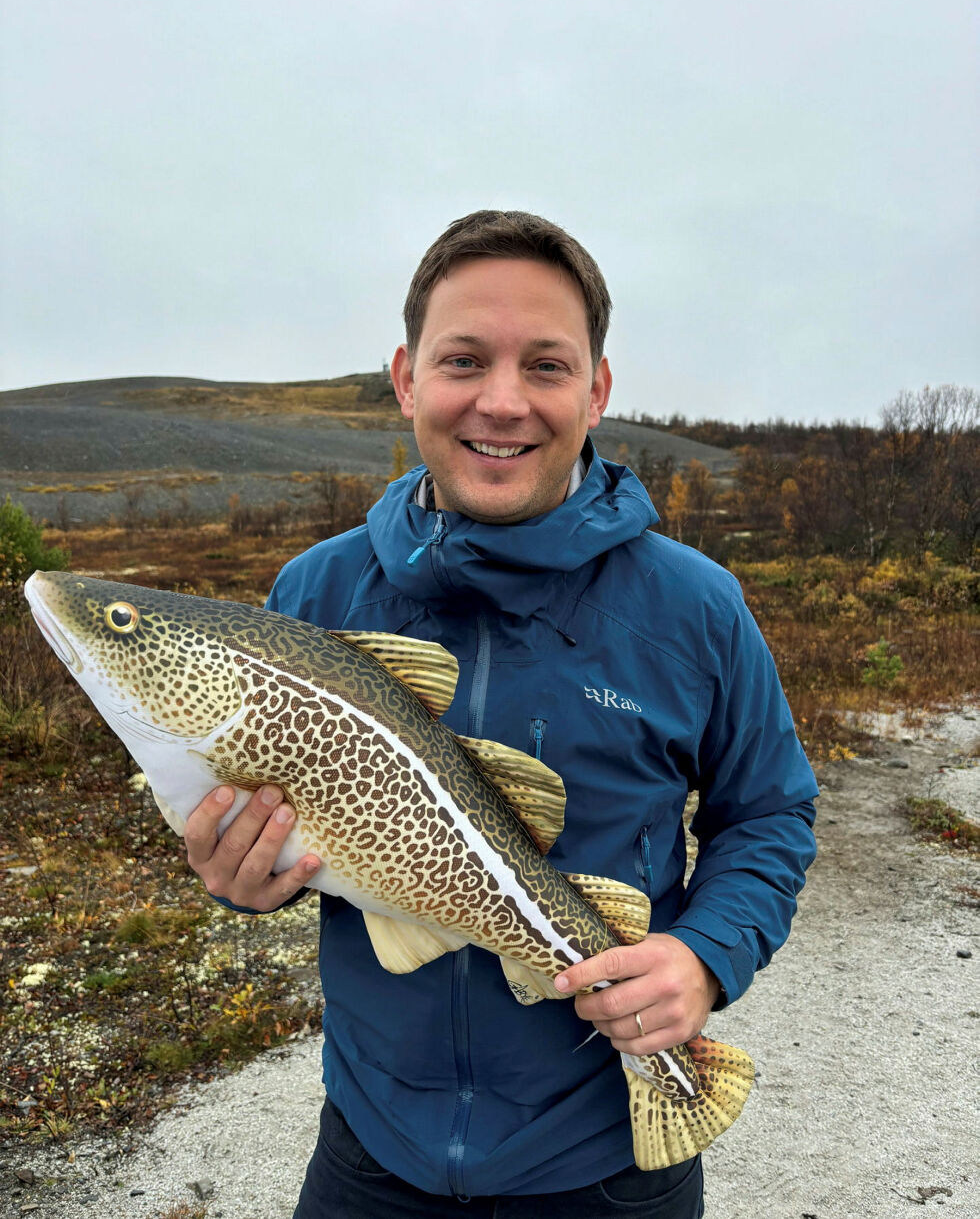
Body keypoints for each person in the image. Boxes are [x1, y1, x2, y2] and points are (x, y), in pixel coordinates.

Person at [183, 210, 818, 1217]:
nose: (503, 400)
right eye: (464, 359)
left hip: (606, 1169)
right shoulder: (314, 596)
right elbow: (255, 811)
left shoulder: (693, 607)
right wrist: (238, 875)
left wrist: (704, 955)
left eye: (547, 365)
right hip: (368, 1156)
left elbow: (769, 811)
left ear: (598, 388)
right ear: (405, 376)